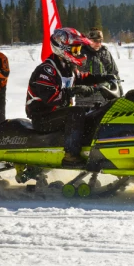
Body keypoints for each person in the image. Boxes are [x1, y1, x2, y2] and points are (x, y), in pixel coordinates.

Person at [25, 27, 117, 168]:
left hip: (57, 114)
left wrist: (104, 78)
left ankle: (93, 149)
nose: (78, 53)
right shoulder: (46, 70)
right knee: (77, 112)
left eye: (79, 49)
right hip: (42, 117)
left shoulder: (68, 67)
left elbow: (84, 78)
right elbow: (51, 98)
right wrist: (75, 91)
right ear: (62, 48)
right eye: (75, 50)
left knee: (93, 111)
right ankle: (71, 157)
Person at [78, 27, 123, 108]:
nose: (98, 44)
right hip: (84, 95)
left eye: (100, 41)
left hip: (104, 93)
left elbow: (114, 72)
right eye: (95, 41)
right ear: (88, 40)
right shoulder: (79, 52)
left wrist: (119, 88)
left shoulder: (105, 53)